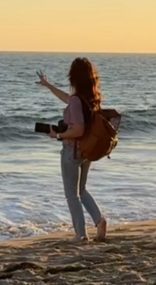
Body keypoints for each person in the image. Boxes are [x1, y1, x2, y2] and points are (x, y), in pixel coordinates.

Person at [37, 57, 107, 243]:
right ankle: (99, 221)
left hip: (72, 152)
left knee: (71, 194)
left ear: (73, 76)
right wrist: (48, 85)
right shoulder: (91, 98)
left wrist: (58, 135)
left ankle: (80, 234)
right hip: (86, 151)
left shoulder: (77, 100)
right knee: (81, 189)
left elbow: (78, 129)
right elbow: (67, 99)